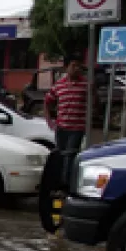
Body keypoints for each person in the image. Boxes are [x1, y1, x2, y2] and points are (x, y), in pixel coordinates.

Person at [43, 53, 93, 185]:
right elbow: (47, 102)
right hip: (61, 127)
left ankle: (67, 184)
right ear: (66, 67)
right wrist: (49, 121)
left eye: (79, 66)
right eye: (73, 66)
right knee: (60, 155)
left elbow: (94, 104)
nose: (76, 69)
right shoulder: (59, 85)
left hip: (77, 128)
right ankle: (58, 183)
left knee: (70, 156)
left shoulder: (85, 85)